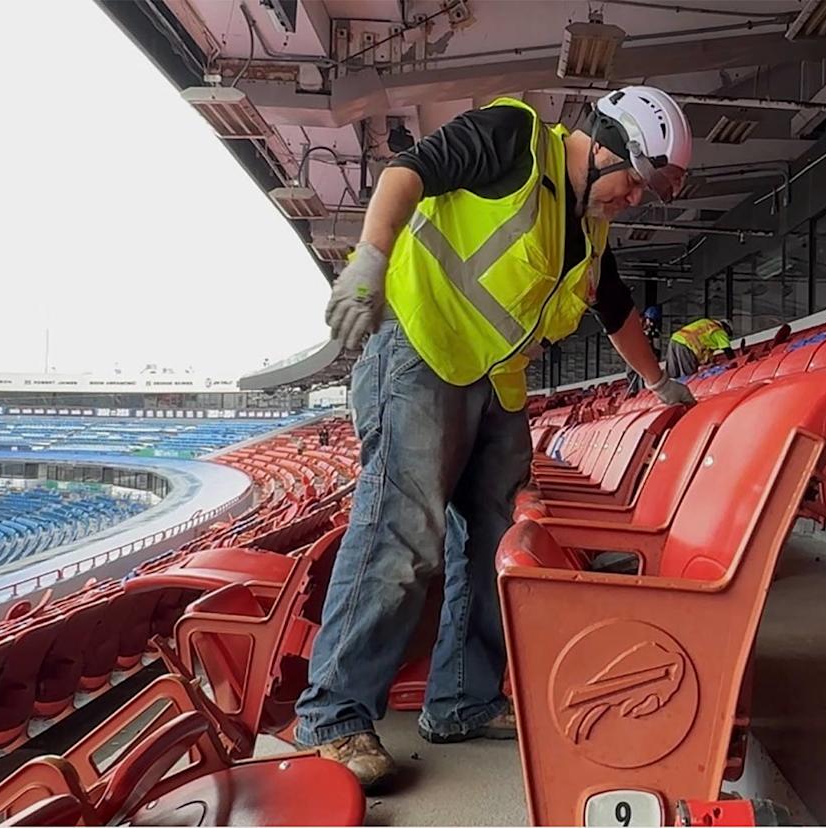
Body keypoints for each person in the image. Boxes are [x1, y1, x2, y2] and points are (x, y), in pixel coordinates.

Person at [294, 86, 698, 789]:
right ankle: (333, 716)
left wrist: (658, 382)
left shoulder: (588, 228)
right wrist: (369, 261)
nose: (634, 199)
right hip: (419, 355)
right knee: (401, 535)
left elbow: (616, 309)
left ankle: (461, 701)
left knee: (494, 544)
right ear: (603, 144)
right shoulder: (515, 139)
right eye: (635, 180)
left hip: (495, 385)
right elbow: (407, 172)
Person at [666, 317, 735, 378]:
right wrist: (734, 362)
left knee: (673, 372)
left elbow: (706, 351)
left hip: (674, 339)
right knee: (688, 375)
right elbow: (727, 350)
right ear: (726, 328)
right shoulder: (718, 331)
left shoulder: (706, 322)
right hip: (687, 345)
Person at [626, 305, 663, 396]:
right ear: (646, 318)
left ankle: (645, 390)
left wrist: (655, 356)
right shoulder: (636, 325)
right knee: (631, 371)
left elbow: (656, 347)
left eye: (654, 322)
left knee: (646, 372)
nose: (651, 324)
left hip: (645, 353)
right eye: (650, 321)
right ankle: (633, 390)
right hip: (633, 350)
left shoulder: (654, 332)